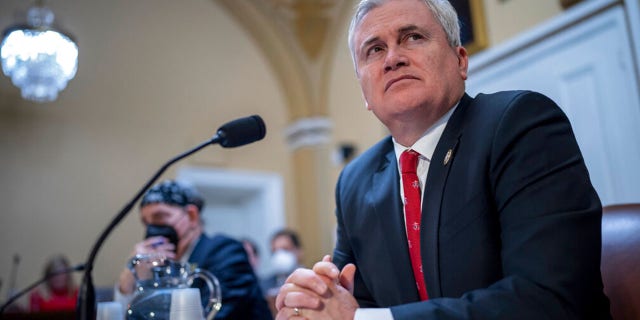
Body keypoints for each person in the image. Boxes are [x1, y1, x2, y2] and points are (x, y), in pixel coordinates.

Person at [275, 0, 612, 319]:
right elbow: (358, 304)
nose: (392, 58)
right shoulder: (355, 181)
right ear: (364, 92)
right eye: (374, 49)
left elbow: (551, 299)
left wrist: (359, 317)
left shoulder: (520, 124)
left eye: (412, 37)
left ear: (460, 60)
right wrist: (316, 303)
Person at [115, 179, 272, 319]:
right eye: (146, 222)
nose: (152, 228)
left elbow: (217, 314)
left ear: (191, 216)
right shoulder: (162, 268)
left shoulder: (225, 251)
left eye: (160, 217)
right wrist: (132, 277)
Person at [261, 229, 304, 296]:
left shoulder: (312, 280)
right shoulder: (265, 285)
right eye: (275, 251)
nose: (279, 255)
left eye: (285, 249)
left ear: (298, 251)